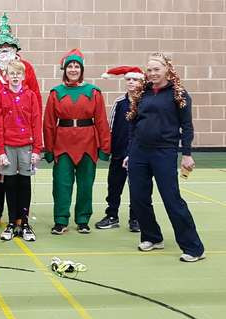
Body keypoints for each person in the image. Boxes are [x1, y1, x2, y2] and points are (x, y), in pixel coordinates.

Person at [125, 52, 205, 262]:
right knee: (139, 198)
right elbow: (133, 124)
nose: (152, 73)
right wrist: (130, 152)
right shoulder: (143, 93)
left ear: (167, 70)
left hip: (164, 152)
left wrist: (186, 154)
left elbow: (186, 126)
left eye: (156, 69)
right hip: (139, 153)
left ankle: (194, 247)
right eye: (149, 70)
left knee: (172, 200)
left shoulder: (179, 94)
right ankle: (152, 236)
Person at [0, 13, 42, 228]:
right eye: (0, 48)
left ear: (16, 51)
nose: (4, 51)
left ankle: (18, 214)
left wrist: (37, 141)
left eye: (9, 48)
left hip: (21, 135)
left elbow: (35, 101)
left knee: (17, 177)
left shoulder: (26, 69)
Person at [43, 49, 111, 235]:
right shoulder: (56, 92)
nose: (73, 70)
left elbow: (101, 122)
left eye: (76, 66)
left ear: (82, 69)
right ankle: (60, 220)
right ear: (64, 70)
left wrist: (105, 147)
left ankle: (82, 219)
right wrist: (48, 149)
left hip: (88, 143)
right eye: (69, 66)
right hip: (62, 142)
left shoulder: (93, 92)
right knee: (61, 183)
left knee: (85, 183)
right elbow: (48, 123)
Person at [0, 60, 42, 241]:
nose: (15, 77)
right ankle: (12, 222)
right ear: (6, 76)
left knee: (25, 184)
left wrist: (37, 149)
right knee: (10, 184)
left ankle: (25, 223)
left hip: (26, 147)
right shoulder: (0, 96)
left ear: (23, 76)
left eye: (18, 74)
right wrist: (0, 151)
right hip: (7, 147)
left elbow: (36, 123)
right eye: (11, 74)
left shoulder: (30, 96)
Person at [95, 66, 144, 232]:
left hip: (139, 154)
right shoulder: (119, 103)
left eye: (135, 79)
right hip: (119, 152)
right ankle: (111, 215)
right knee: (114, 185)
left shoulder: (146, 102)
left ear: (142, 81)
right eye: (128, 79)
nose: (131, 82)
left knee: (137, 187)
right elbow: (110, 127)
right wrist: (108, 148)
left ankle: (136, 218)